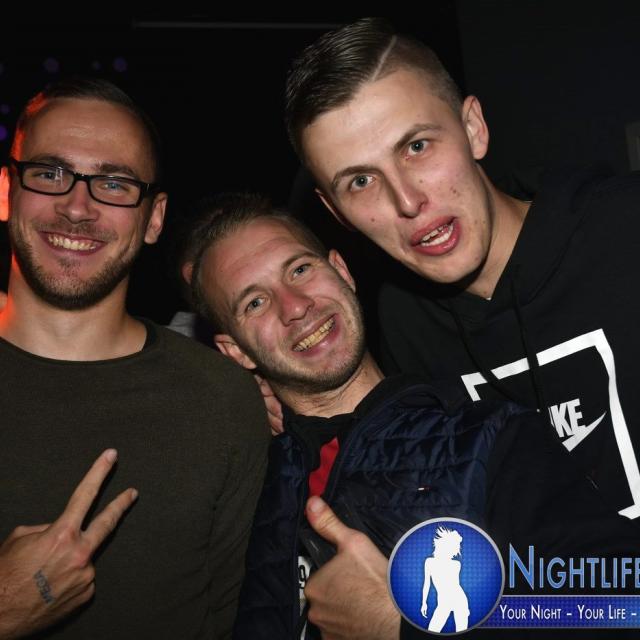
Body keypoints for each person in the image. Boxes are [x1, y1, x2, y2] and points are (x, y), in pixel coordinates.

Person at [184, 193, 639, 640]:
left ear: (341, 271)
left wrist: (402, 625)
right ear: (236, 351)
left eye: (300, 269)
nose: (295, 305)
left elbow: (620, 607)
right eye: (255, 303)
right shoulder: (256, 490)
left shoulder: (488, 439)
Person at [0, 78, 269, 640]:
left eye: (114, 184)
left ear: (154, 218)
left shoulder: (223, 401)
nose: (77, 207)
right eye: (49, 173)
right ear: (6, 190)